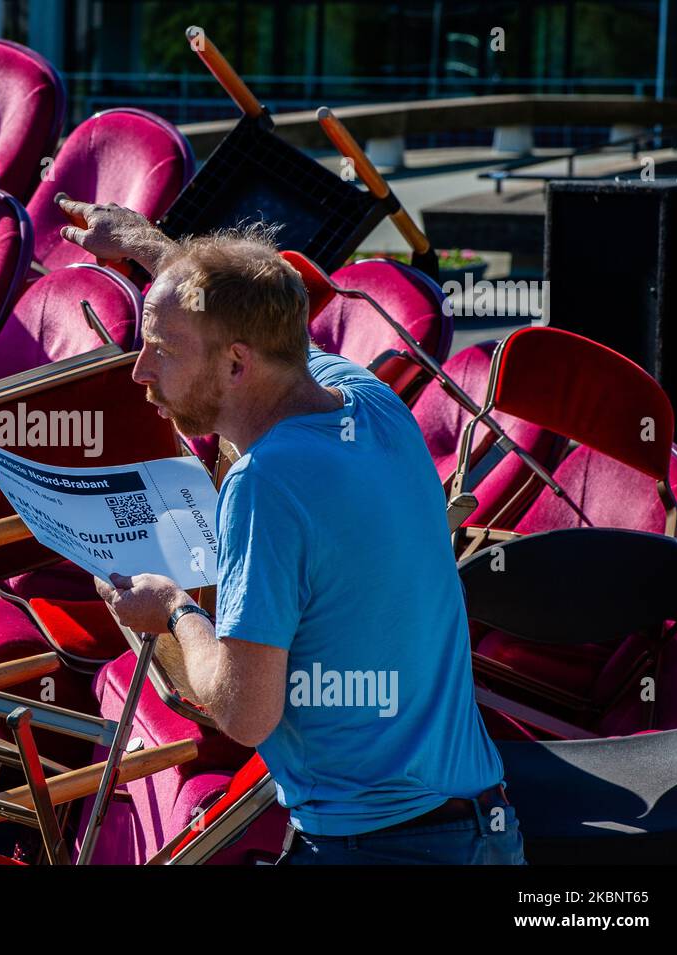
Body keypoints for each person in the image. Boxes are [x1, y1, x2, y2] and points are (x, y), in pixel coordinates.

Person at [58, 194, 524, 865]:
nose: (140, 370)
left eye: (159, 349)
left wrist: (174, 610)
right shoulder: (367, 401)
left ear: (237, 365)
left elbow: (245, 715)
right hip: (476, 825)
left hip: (383, 849)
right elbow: (236, 311)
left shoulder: (266, 484)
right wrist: (147, 244)